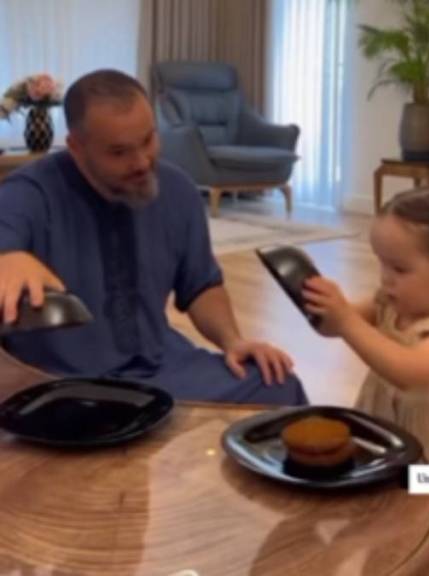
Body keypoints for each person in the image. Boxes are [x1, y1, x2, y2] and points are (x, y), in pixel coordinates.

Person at [0, 69, 306, 405]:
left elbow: (201, 285)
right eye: (119, 152)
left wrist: (233, 341)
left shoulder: (177, 190)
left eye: (148, 140)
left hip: (162, 368)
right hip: (62, 383)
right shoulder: (32, 191)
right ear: (76, 147)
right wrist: (8, 256)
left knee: (279, 386)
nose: (142, 162)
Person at [302, 187, 429, 575]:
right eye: (382, 265)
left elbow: (410, 370)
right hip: (388, 442)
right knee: (387, 525)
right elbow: (333, 328)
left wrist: (347, 321)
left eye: (400, 269)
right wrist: (319, 305)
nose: (386, 280)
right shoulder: (389, 303)